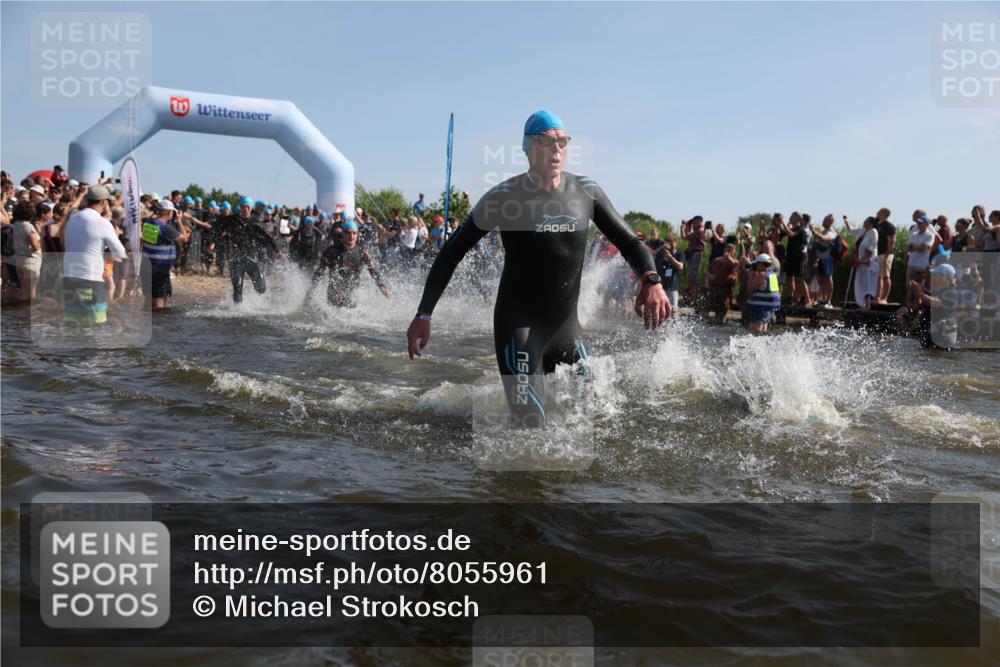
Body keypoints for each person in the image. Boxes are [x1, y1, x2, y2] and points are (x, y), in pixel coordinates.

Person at [406, 110, 669, 427]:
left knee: (592, 419)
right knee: (530, 427)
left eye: (562, 141)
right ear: (528, 148)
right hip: (518, 328)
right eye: (546, 142)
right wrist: (424, 314)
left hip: (566, 329)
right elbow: (452, 252)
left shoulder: (586, 192)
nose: (556, 149)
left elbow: (631, 242)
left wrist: (651, 280)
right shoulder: (505, 197)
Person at [60, 185, 126, 325]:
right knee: (95, 323)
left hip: (70, 279)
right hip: (90, 280)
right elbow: (120, 251)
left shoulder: (73, 218)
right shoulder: (102, 222)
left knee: (74, 323)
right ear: (104, 202)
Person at [216, 196, 280, 303]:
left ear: (251, 208)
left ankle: (256, 303)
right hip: (235, 259)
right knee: (237, 287)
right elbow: (218, 227)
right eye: (243, 207)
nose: (245, 209)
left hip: (251, 259)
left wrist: (278, 251)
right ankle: (238, 311)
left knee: (261, 288)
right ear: (240, 207)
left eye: (247, 207)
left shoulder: (256, 222)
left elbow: (269, 238)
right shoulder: (232, 220)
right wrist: (216, 240)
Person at [311, 220, 390, 307]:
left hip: (353, 292)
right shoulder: (332, 251)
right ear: (343, 234)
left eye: (354, 233)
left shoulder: (361, 252)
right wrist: (311, 289)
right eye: (348, 233)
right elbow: (320, 271)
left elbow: (372, 270)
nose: (351, 236)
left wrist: (381, 286)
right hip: (334, 292)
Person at [141, 199, 190, 310]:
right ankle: (158, 325)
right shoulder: (165, 227)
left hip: (146, 265)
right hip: (160, 267)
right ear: (169, 212)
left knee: (148, 300)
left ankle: (146, 321)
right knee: (160, 302)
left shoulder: (148, 222)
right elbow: (184, 238)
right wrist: (179, 221)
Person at [743, 253, 781, 333]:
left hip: (761, 306)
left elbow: (750, 289)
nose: (755, 266)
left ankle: (755, 342)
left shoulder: (762, 275)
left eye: (756, 264)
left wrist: (751, 275)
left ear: (761, 264)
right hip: (770, 306)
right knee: (764, 326)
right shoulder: (772, 274)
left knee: (756, 328)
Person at [809, 214, 839, 308]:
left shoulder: (831, 232)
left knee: (828, 279)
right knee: (821, 280)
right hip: (821, 259)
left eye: (825, 219)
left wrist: (813, 230)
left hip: (828, 258)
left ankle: (828, 301)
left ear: (829, 222)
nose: (823, 220)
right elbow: (818, 239)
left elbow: (823, 238)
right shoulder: (824, 230)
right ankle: (822, 299)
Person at [706, 243, 739, 323]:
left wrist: (729, 259)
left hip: (725, 290)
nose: (728, 251)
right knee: (709, 309)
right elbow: (708, 271)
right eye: (727, 249)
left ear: (733, 252)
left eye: (731, 250)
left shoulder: (734, 262)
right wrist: (710, 276)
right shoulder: (717, 260)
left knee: (722, 312)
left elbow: (736, 268)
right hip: (714, 289)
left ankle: (721, 323)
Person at [851, 216, 879, 310]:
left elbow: (871, 248)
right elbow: (851, 231)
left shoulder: (873, 232)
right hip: (861, 263)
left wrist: (863, 259)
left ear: (871, 223)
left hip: (869, 262)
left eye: (866, 221)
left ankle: (868, 305)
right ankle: (862, 304)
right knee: (862, 283)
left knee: (868, 284)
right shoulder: (863, 232)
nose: (864, 222)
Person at [654, 234, 685, 314]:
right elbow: (653, 254)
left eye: (671, 243)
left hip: (673, 287)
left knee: (674, 310)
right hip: (662, 286)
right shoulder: (662, 253)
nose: (670, 246)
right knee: (662, 309)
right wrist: (662, 247)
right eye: (668, 243)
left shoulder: (679, 254)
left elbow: (680, 266)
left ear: (675, 243)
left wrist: (670, 257)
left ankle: (675, 325)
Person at [680, 215, 707, 299]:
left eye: (694, 221)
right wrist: (687, 226)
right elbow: (687, 235)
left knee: (694, 274)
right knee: (691, 274)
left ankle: (694, 294)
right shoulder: (697, 230)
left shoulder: (700, 230)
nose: (693, 223)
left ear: (699, 221)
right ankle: (691, 293)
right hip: (692, 253)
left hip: (697, 253)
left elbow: (685, 236)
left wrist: (684, 227)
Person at [906, 212, 935, 285]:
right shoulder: (914, 234)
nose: (919, 224)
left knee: (918, 285)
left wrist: (914, 247)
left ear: (927, 224)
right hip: (911, 262)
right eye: (918, 223)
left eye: (921, 223)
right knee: (909, 285)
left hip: (921, 264)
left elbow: (924, 248)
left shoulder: (930, 235)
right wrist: (918, 247)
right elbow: (908, 247)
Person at [874, 208, 896, 303]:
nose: (877, 213)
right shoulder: (876, 224)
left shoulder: (888, 226)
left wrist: (887, 255)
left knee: (886, 276)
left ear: (884, 214)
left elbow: (891, 241)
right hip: (877, 254)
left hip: (885, 254)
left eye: (879, 212)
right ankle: (877, 297)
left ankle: (884, 298)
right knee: (878, 276)